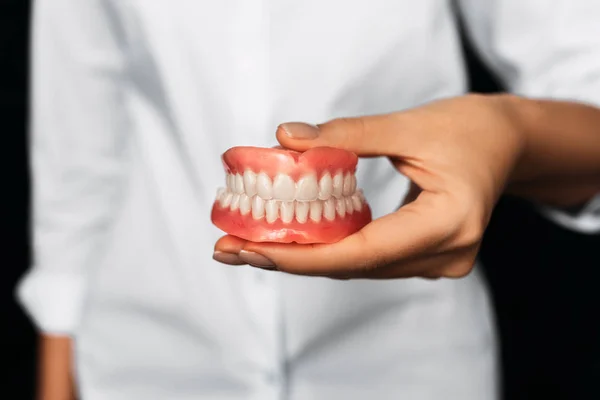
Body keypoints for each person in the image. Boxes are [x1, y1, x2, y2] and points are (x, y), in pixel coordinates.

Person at [18, 1, 600, 399]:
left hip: (409, 365)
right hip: (141, 362)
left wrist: (512, 135)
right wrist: (57, 351)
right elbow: (78, 142)